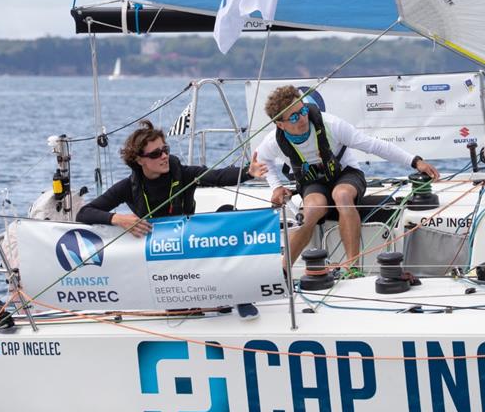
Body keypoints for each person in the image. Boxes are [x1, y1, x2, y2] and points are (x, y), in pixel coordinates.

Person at [76, 119, 268, 319]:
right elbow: (84, 213)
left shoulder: (183, 174)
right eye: (156, 154)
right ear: (140, 160)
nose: (164, 156)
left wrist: (248, 172)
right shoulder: (127, 187)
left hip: (189, 245)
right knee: (186, 316)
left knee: (228, 211)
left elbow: (217, 176)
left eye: (165, 149)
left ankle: (239, 293)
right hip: (160, 258)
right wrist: (118, 219)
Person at [255, 85, 440, 278]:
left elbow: (374, 145)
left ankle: (352, 267)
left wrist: (415, 161)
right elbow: (261, 159)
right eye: (293, 117)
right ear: (280, 124)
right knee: (310, 211)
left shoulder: (331, 125)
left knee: (341, 195)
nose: (301, 119)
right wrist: (276, 187)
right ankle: (282, 273)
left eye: (302, 111)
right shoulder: (272, 141)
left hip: (346, 175)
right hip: (314, 184)